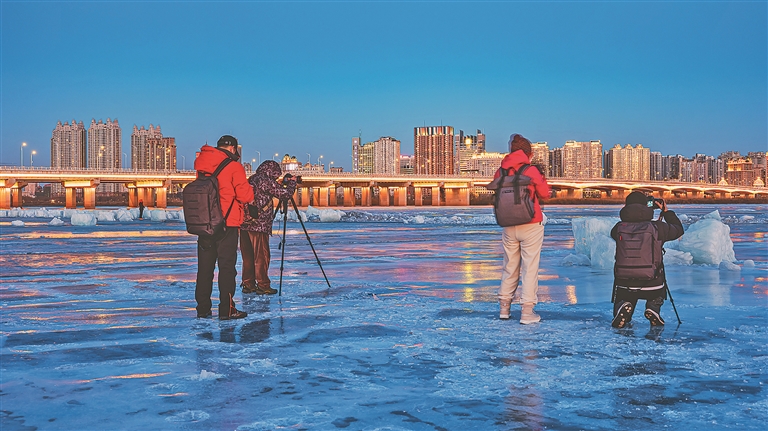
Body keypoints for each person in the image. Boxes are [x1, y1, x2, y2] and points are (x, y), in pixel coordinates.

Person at [194, 135, 254, 320]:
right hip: (227, 224)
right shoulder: (234, 167)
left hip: (205, 224)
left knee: (204, 268)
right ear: (234, 149)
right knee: (227, 268)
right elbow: (245, 196)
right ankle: (227, 309)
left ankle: (203, 309)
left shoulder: (202, 165)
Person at [495, 134, 551, 324]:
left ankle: (504, 308)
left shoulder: (500, 171)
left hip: (508, 223)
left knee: (509, 266)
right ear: (529, 152)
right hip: (531, 222)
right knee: (529, 267)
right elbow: (545, 193)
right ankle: (527, 312)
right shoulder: (531, 169)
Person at [610, 191, 684, 328]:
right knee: (656, 289)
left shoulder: (618, 228)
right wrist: (666, 212)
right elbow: (678, 230)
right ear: (646, 206)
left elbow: (617, 233)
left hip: (624, 283)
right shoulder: (658, 228)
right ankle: (653, 307)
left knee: (624, 296)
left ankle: (623, 307)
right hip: (652, 283)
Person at [240, 160, 297, 295]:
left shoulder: (252, 179)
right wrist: (292, 183)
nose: (276, 178)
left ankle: (248, 283)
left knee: (247, 256)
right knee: (261, 256)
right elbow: (284, 194)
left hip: (244, 223)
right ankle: (263, 285)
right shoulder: (265, 180)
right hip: (259, 225)